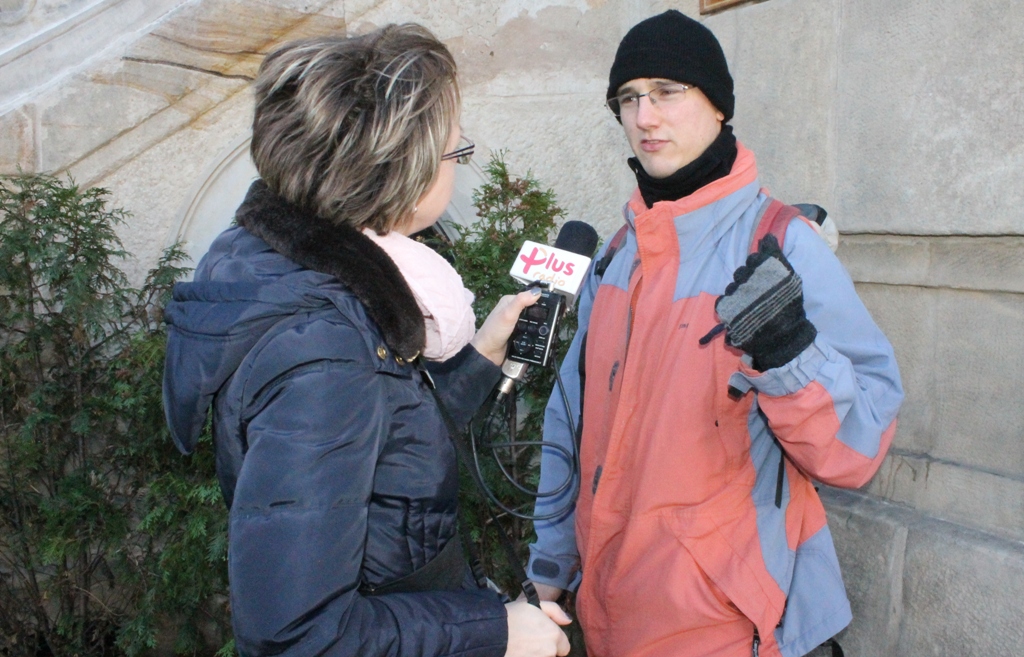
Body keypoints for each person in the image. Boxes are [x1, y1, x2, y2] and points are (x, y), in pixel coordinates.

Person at [162, 24, 570, 657]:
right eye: (454, 154)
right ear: (396, 170)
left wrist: (481, 358)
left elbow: (382, 441)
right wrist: (496, 632)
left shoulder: (297, 271)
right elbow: (296, 637)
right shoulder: (320, 344)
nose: (458, 168)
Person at [526, 10, 904, 657]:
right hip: (610, 617)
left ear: (718, 106)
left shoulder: (784, 244)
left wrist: (791, 356)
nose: (645, 116)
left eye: (667, 91)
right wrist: (549, 572)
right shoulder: (617, 256)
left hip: (732, 628)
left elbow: (858, 449)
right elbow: (568, 425)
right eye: (628, 97)